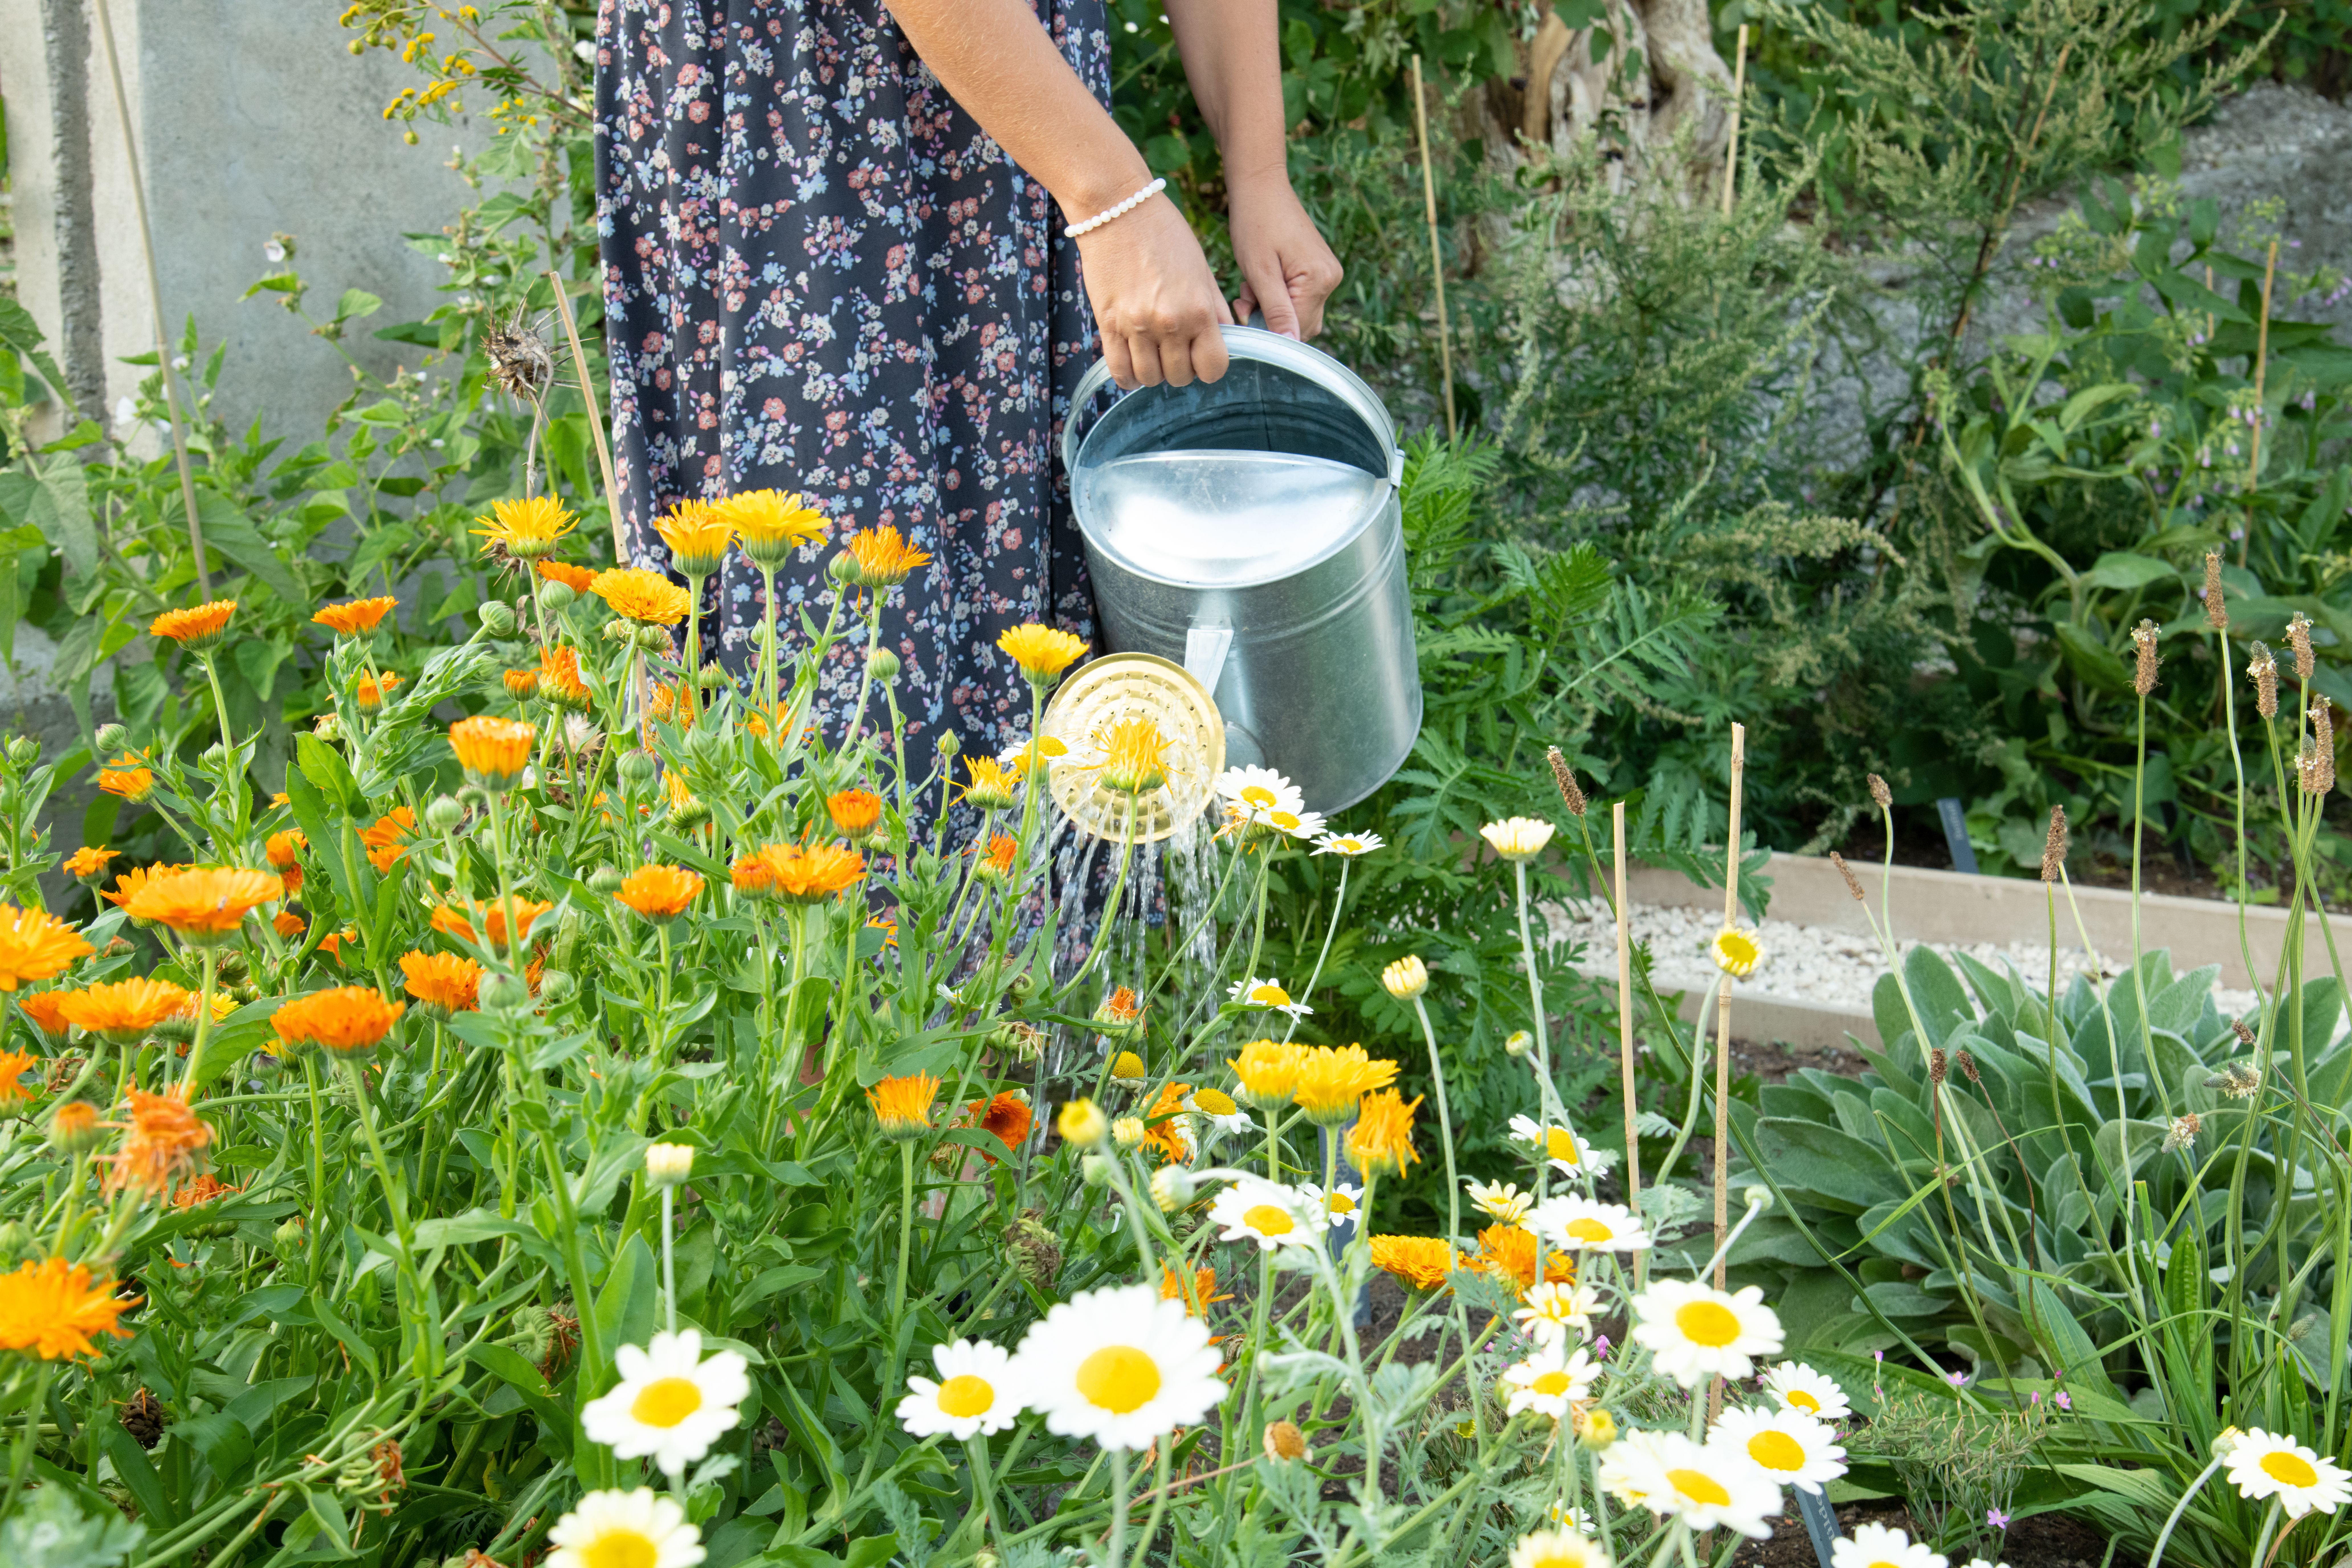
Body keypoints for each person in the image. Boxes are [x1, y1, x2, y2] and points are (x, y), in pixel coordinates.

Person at [594, 0, 1342, 780]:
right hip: (808, 113)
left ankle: (1032, 899)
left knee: (1035, 667)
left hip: (1025, 115)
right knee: (838, 641)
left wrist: (1257, 171)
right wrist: (1111, 201)